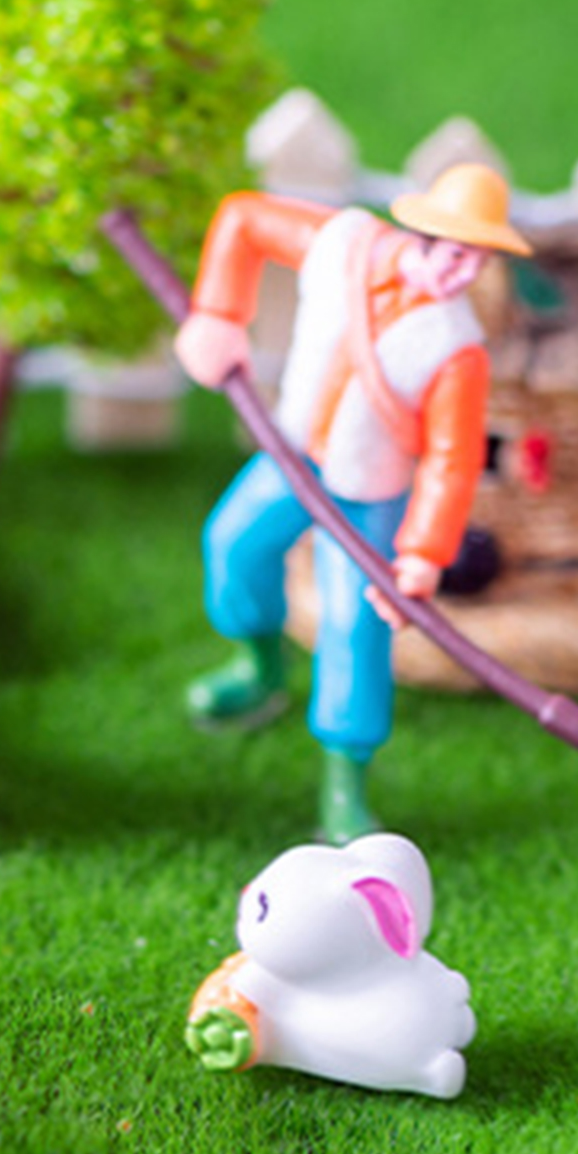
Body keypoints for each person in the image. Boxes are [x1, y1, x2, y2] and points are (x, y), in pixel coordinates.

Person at [173, 162, 532, 841]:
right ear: (425, 233)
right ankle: (259, 668)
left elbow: (451, 460)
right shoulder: (343, 244)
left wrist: (422, 553)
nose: (463, 274)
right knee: (233, 544)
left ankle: (346, 779)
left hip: (368, 493)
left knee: (353, 625)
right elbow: (244, 218)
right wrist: (218, 315)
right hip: (289, 456)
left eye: (478, 261)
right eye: (457, 254)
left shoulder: (458, 349)